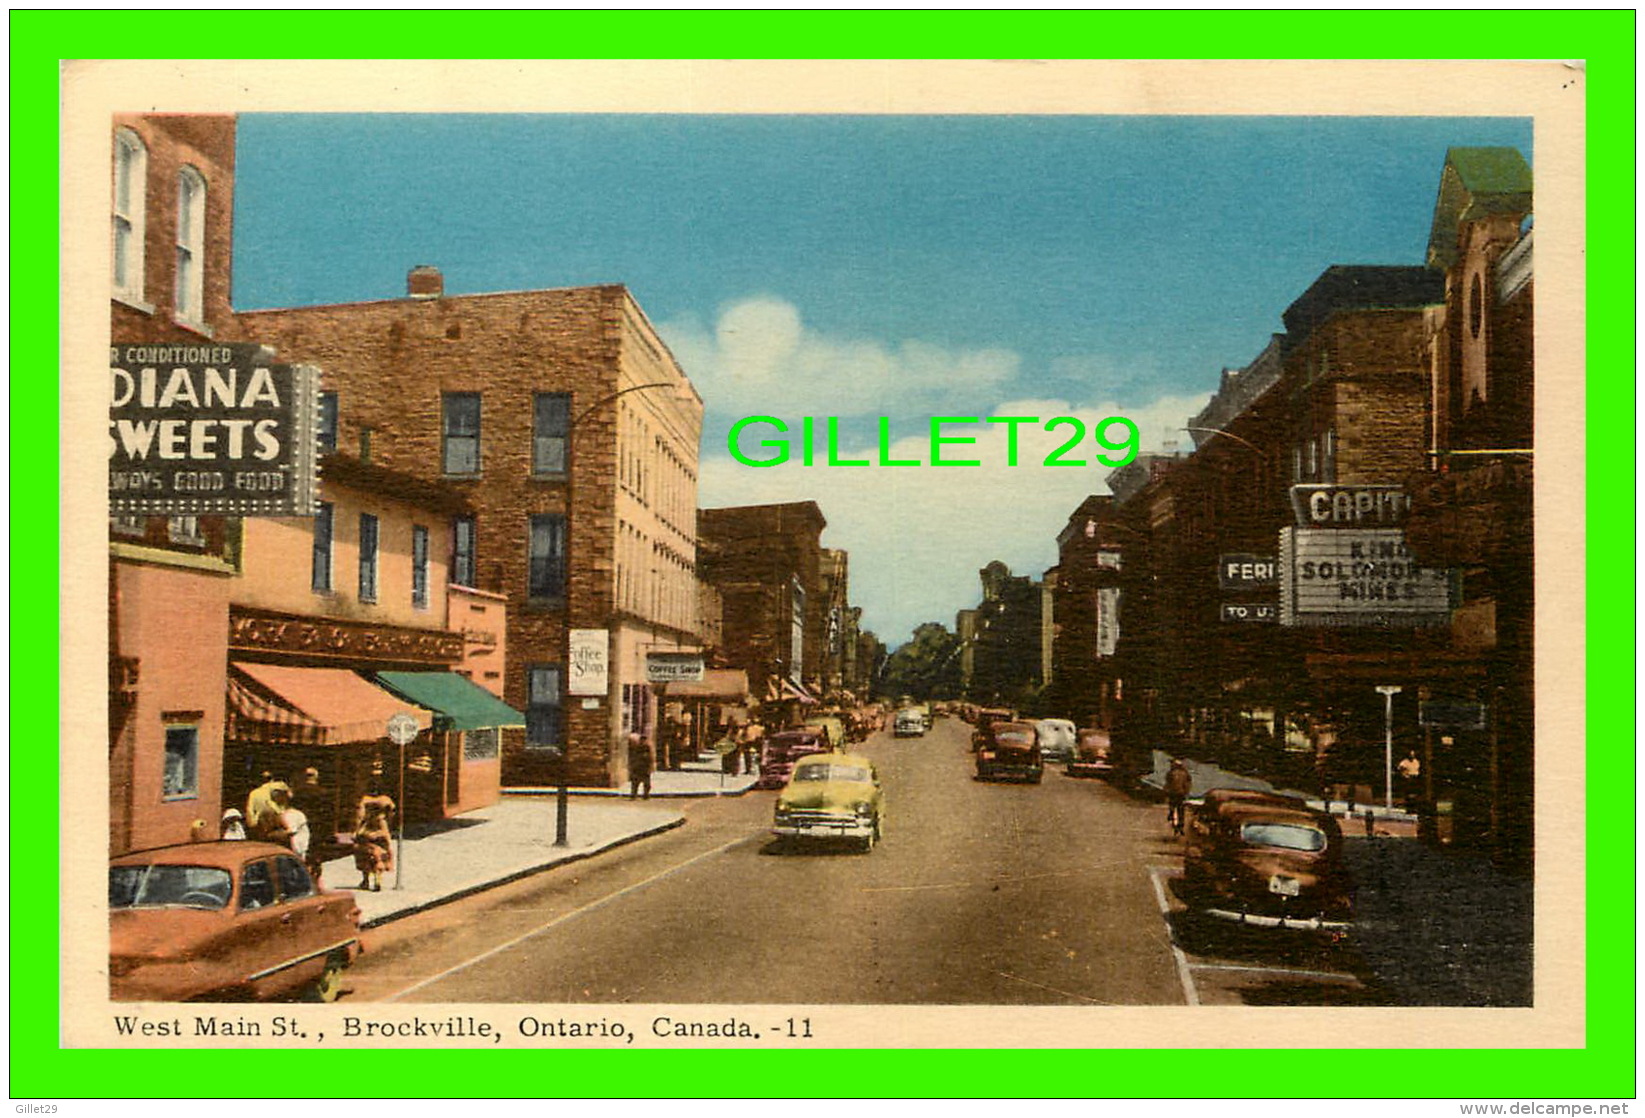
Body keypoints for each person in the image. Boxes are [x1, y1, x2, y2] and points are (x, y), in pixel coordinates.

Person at [353, 789, 395, 892]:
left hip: (374, 838)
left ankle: (372, 881)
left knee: (373, 857)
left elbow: (360, 815)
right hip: (372, 838)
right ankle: (370, 880)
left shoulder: (367, 802)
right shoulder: (384, 801)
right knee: (370, 858)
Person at [1164, 758, 1193, 836]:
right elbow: (1188, 784)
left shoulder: (1170, 773)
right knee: (1181, 810)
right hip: (1181, 794)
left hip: (1173, 793)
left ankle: (1173, 820)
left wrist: (1166, 792)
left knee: (1172, 808)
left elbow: (1167, 784)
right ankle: (1180, 825)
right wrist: (1186, 792)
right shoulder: (1185, 773)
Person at [627, 733, 653, 800]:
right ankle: (635, 795)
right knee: (636, 783)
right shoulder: (637, 747)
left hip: (644, 768)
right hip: (639, 767)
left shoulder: (647, 748)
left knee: (645, 784)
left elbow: (650, 759)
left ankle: (644, 795)